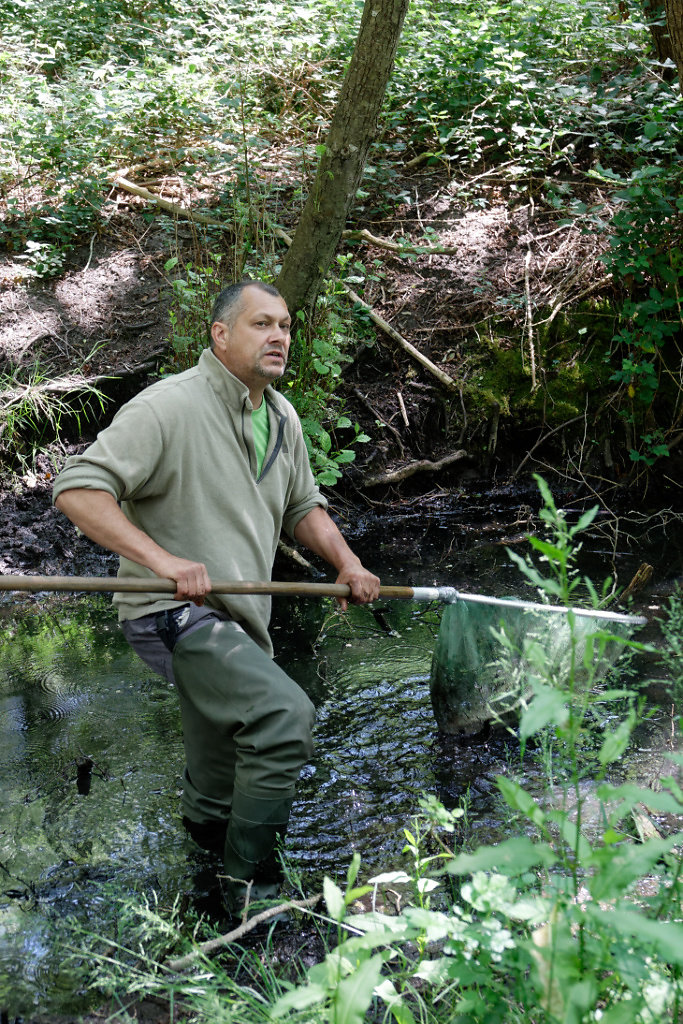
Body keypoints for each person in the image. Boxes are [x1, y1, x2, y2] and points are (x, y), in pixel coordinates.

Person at [53, 279, 380, 911]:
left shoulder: (281, 416)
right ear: (220, 335)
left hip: (235, 621)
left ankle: (200, 875)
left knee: (221, 778)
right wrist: (164, 561)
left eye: (284, 325)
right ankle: (249, 891)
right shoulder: (168, 406)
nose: (279, 335)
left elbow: (303, 506)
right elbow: (78, 488)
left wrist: (347, 562)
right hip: (172, 612)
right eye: (261, 324)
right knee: (283, 719)